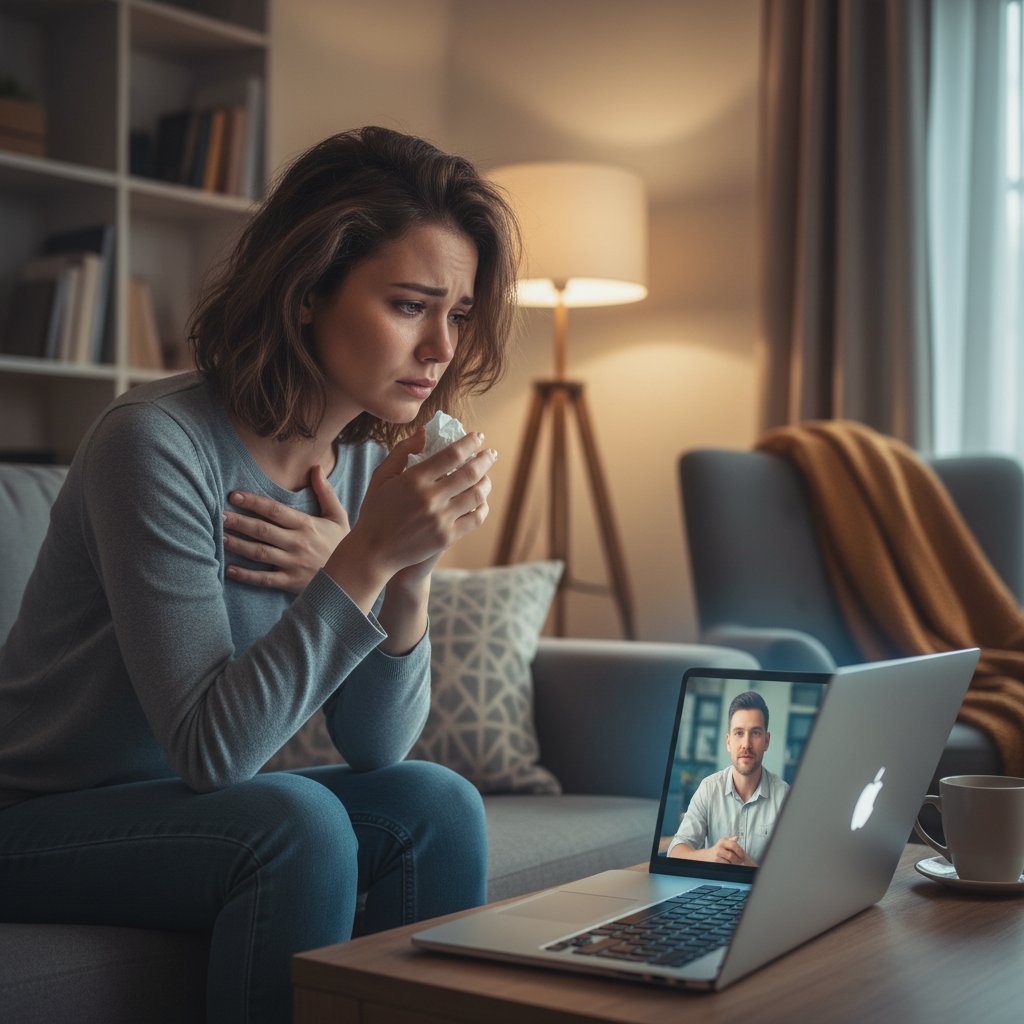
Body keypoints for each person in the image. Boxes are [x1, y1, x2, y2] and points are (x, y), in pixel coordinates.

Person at [0, 126, 521, 1023]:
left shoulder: (360, 460)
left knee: (437, 802)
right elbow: (211, 751)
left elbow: (377, 749)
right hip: (38, 819)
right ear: (309, 291)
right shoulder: (155, 444)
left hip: (183, 809)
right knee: (298, 825)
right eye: (410, 305)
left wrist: (409, 572)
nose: (441, 348)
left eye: (460, 314)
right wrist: (359, 561)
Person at [667, 691, 789, 867]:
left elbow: (793, 870)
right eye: (739, 733)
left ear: (767, 741)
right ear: (728, 742)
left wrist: (751, 869)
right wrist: (709, 855)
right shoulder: (709, 788)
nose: (746, 744)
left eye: (755, 733)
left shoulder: (786, 797)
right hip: (712, 892)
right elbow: (675, 851)